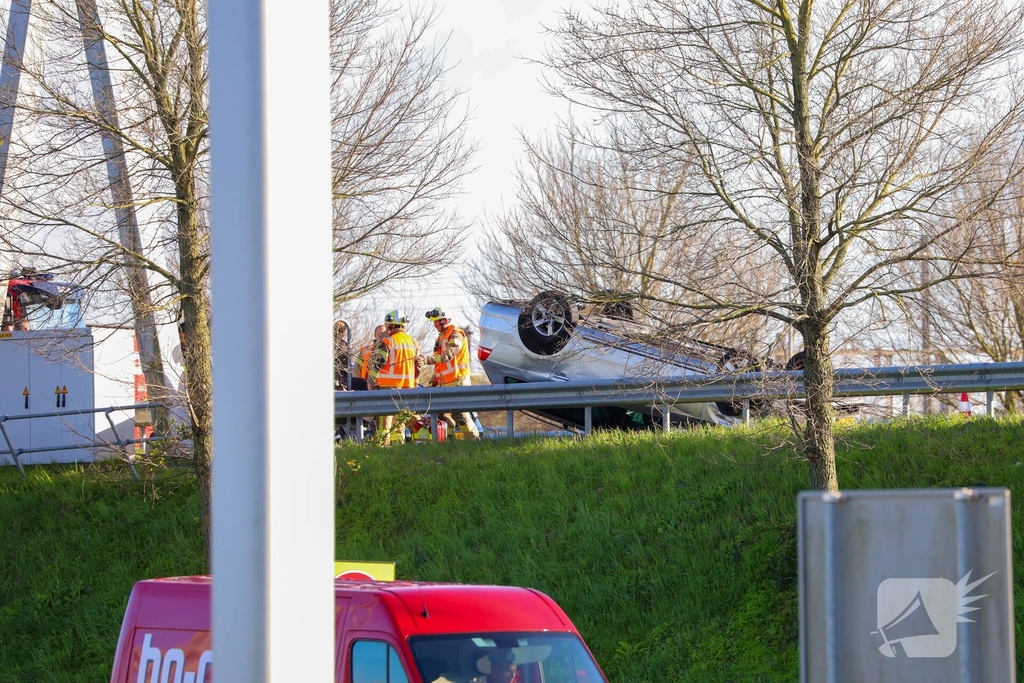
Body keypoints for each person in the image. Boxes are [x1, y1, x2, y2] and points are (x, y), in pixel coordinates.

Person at [418, 306, 480, 439]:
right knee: (441, 414)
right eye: (434, 322)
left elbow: (447, 356)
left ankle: (474, 440)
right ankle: (449, 443)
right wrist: (433, 382)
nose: (435, 324)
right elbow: (440, 366)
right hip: (445, 384)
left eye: (438, 321)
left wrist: (426, 360)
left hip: (458, 382)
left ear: (447, 320)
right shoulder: (440, 339)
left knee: (460, 415)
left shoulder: (456, 334)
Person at [368, 310, 419, 445]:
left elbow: (376, 364)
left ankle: (382, 449)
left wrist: (371, 382)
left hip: (387, 388)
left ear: (389, 325)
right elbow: (417, 367)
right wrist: (414, 385)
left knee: (384, 425)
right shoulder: (412, 342)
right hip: (406, 389)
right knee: (399, 424)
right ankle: (398, 448)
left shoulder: (387, 341)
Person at [352, 324, 387, 391]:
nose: (381, 336)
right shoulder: (365, 350)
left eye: (383, 334)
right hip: (366, 387)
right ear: (375, 336)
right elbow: (357, 369)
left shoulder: (391, 350)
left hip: (383, 387)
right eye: (379, 334)